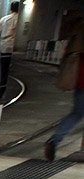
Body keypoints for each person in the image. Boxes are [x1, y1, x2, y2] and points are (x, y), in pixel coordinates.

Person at [45, 17, 84, 161]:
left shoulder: (78, 26)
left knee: (77, 113)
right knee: (78, 112)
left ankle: (55, 140)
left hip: (80, 76)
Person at [0, 1, 19, 101]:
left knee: (3, 70)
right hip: (12, 48)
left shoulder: (4, 19)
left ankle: (0, 93)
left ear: (11, 8)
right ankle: (4, 90)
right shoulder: (18, 19)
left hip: (4, 47)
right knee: (9, 71)